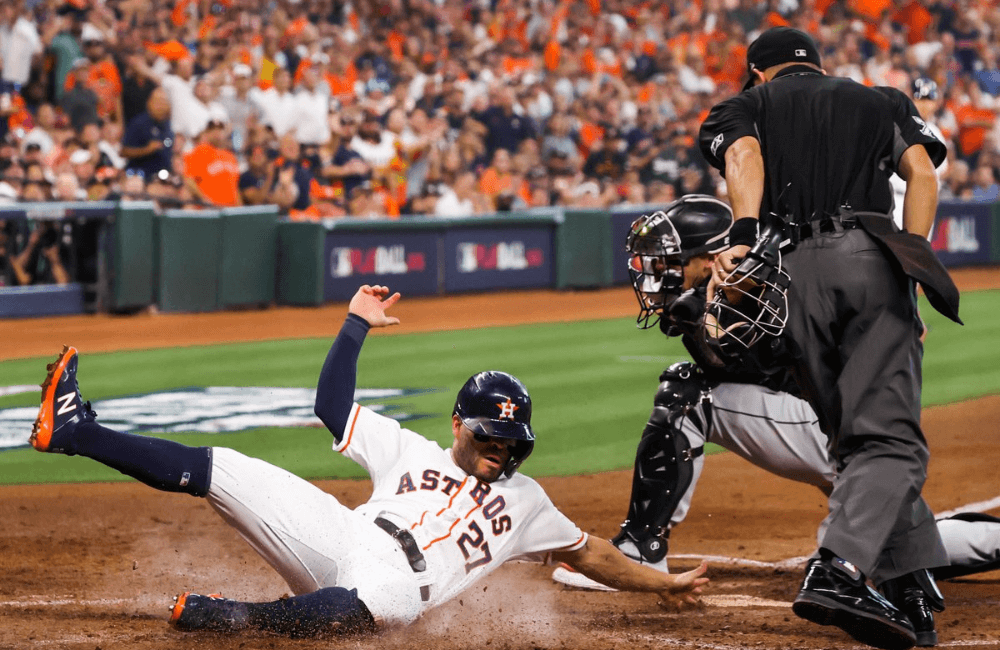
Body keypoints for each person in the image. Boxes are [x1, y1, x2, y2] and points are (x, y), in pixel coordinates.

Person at [28, 284, 709, 637]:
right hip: (344, 535)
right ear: (458, 427)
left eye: (510, 444)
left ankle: (237, 617)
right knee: (222, 466)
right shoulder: (408, 448)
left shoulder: (528, 504)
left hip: (400, 588)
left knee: (369, 608)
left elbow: (589, 554)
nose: (498, 452)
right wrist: (354, 323)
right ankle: (73, 430)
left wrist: (662, 583)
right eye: (487, 438)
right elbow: (332, 405)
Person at [551, 197, 1000, 644]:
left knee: (686, 392)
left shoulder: (765, 282)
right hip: (825, 429)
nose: (657, 273)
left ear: (712, 257)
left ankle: (640, 551)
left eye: (670, 261)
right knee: (897, 540)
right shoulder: (720, 288)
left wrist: (712, 317)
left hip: (821, 426)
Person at [697, 27, 961, 650]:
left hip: (789, 277)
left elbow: (742, 158)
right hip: (865, 257)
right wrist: (913, 266)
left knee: (850, 437)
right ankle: (839, 569)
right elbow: (922, 174)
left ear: (760, 73)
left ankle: (909, 581)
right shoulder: (881, 99)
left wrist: (742, 230)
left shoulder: (745, 106)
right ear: (814, 65)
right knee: (891, 440)